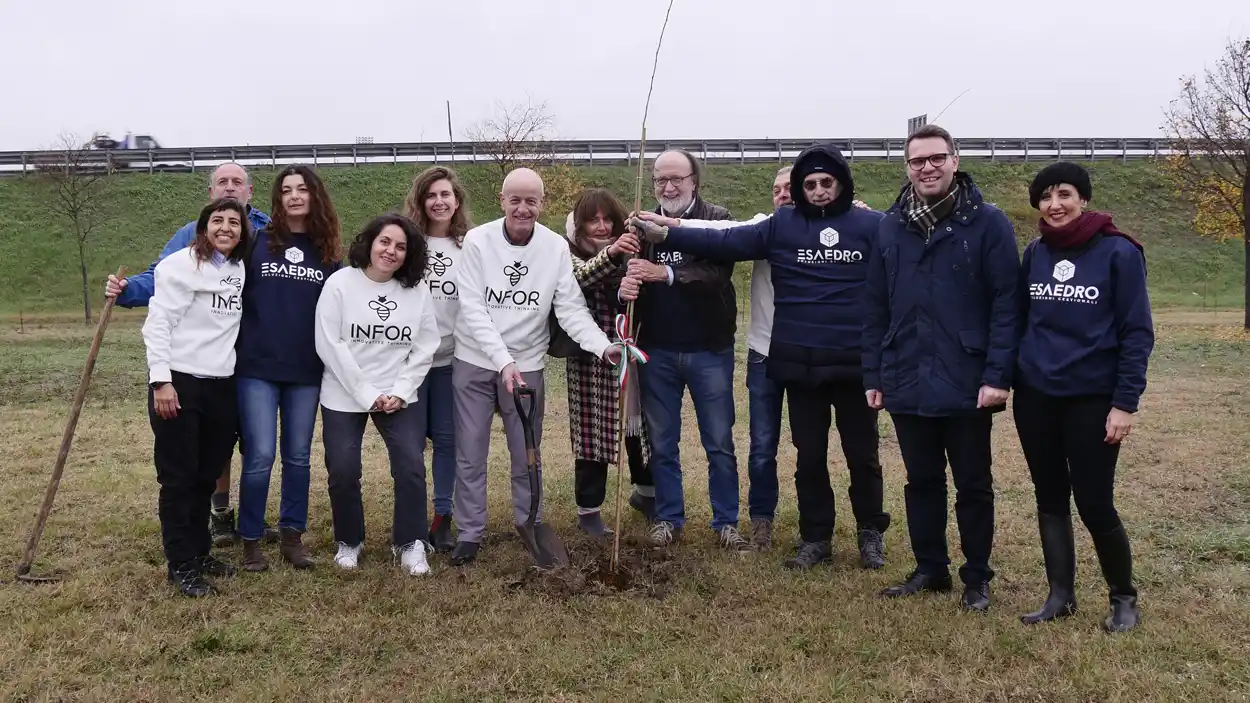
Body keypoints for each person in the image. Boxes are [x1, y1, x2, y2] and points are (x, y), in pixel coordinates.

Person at [628, 144, 891, 571]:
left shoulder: (871, 225)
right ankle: (816, 537)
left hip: (854, 363)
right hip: (801, 365)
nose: (819, 191)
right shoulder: (782, 224)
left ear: (842, 184)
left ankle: (870, 534)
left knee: (863, 455)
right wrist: (670, 231)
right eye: (810, 184)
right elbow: (726, 238)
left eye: (827, 183)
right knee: (809, 457)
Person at [862, 125, 1021, 612]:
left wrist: (997, 376)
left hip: (967, 378)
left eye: (936, 158)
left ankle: (977, 576)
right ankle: (930, 569)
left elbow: (1007, 304)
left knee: (973, 483)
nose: (926, 168)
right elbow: (874, 307)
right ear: (906, 167)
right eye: (917, 161)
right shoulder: (890, 225)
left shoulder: (988, 223)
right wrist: (874, 374)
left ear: (955, 160)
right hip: (906, 375)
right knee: (920, 481)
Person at [448, 168, 622, 566]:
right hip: (475, 360)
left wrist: (601, 347)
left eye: (531, 201)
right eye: (515, 199)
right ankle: (470, 531)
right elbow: (473, 308)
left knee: (526, 451)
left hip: (527, 364)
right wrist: (502, 361)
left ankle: (531, 519)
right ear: (502, 200)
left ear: (542, 204)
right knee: (471, 451)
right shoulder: (478, 241)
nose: (523, 208)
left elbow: (570, 307)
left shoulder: (553, 248)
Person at [1015, 162, 1153, 632]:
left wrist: (1125, 403)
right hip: (1035, 398)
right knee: (1049, 497)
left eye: (1065, 194)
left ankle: (1123, 598)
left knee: (1094, 501)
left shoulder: (1119, 252)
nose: (1055, 204)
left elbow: (1137, 333)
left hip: (1092, 400)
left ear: (1084, 199)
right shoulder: (1035, 253)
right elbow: (1018, 320)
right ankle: (1060, 595)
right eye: (1046, 196)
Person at [106, 163, 272, 547]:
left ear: (250, 192)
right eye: (221, 184)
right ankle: (190, 551)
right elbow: (159, 296)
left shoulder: (259, 241)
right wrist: (129, 290)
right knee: (184, 469)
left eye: (237, 183)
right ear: (209, 198)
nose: (226, 226)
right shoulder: (186, 251)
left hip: (236, 368)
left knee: (227, 453)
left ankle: (221, 536)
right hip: (185, 373)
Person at [625, 149, 748, 552]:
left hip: (708, 349)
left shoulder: (716, 218)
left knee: (719, 440)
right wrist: (626, 274)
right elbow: (625, 279)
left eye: (677, 178)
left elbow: (717, 272)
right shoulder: (642, 224)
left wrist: (666, 273)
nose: (668, 186)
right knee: (661, 441)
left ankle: (726, 521)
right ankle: (668, 517)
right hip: (656, 350)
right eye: (661, 179)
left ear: (695, 180)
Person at [314, 214, 442, 575]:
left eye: (401, 247)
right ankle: (349, 541)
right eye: (385, 242)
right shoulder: (340, 283)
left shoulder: (415, 290)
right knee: (342, 468)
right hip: (344, 391)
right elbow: (330, 344)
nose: (391, 251)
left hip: (398, 394)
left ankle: (410, 542)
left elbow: (425, 346)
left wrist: (400, 391)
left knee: (411, 466)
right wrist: (367, 393)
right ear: (370, 242)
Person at [236, 164, 344, 572]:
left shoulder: (328, 251)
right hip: (257, 368)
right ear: (278, 198)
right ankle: (250, 540)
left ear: (315, 196)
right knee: (261, 455)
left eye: (302, 189)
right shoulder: (257, 243)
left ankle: (292, 537)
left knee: (298, 456)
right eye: (286, 190)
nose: (295, 196)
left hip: (306, 370)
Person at [141, 198, 251, 596]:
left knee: (207, 474)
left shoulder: (237, 269)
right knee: (179, 478)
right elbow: (158, 326)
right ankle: (181, 563)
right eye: (217, 221)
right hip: (180, 383)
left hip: (221, 385)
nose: (226, 228)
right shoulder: (179, 265)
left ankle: (201, 551)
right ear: (204, 227)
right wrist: (161, 381)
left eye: (234, 222)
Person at [560, 188, 651, 537]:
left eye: (607, 219)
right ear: (579, 224)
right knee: (593, 436)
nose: (601, 226)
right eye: (592, 220)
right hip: (589, 361)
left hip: (636, 353)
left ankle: (647, 493)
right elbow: (580, 279)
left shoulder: (635, 249)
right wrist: (613, 254)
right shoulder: (566, 253)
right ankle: (589, 511)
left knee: (640, 428)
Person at [400, 166, 473, 552]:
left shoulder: (470, 246)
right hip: (411, 362)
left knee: (448, 440)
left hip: (452, 360)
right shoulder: (407, 243)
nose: (439, 201)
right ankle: (410, 519)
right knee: (411, 444)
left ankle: (442, 516)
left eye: (446, 194)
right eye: (431, 195)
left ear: (456, 200)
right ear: (421, 201)